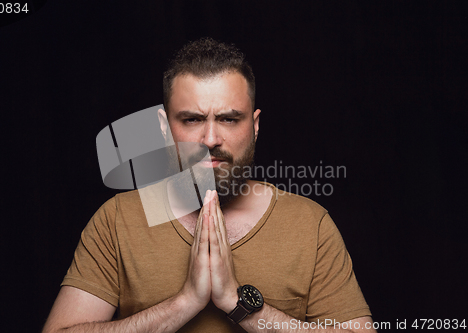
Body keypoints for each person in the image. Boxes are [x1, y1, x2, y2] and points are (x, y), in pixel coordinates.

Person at [42, 38, 377, 333]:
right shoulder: (117, 220)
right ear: (164, 127)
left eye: (229, 119)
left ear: (255, 126)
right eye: (192, 119)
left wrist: (237, 303)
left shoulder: (310, 224)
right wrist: (185, 302)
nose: (211, 139)